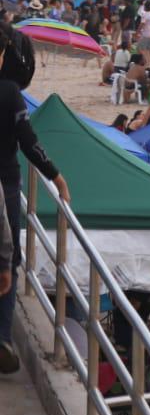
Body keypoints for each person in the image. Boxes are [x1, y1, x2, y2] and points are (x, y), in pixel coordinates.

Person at [0, 26, 70, 373]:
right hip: (5, 184)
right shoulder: (10, 92)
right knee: (7, 260)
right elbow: (28, 142)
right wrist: (56, 175)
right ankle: (2, 337)